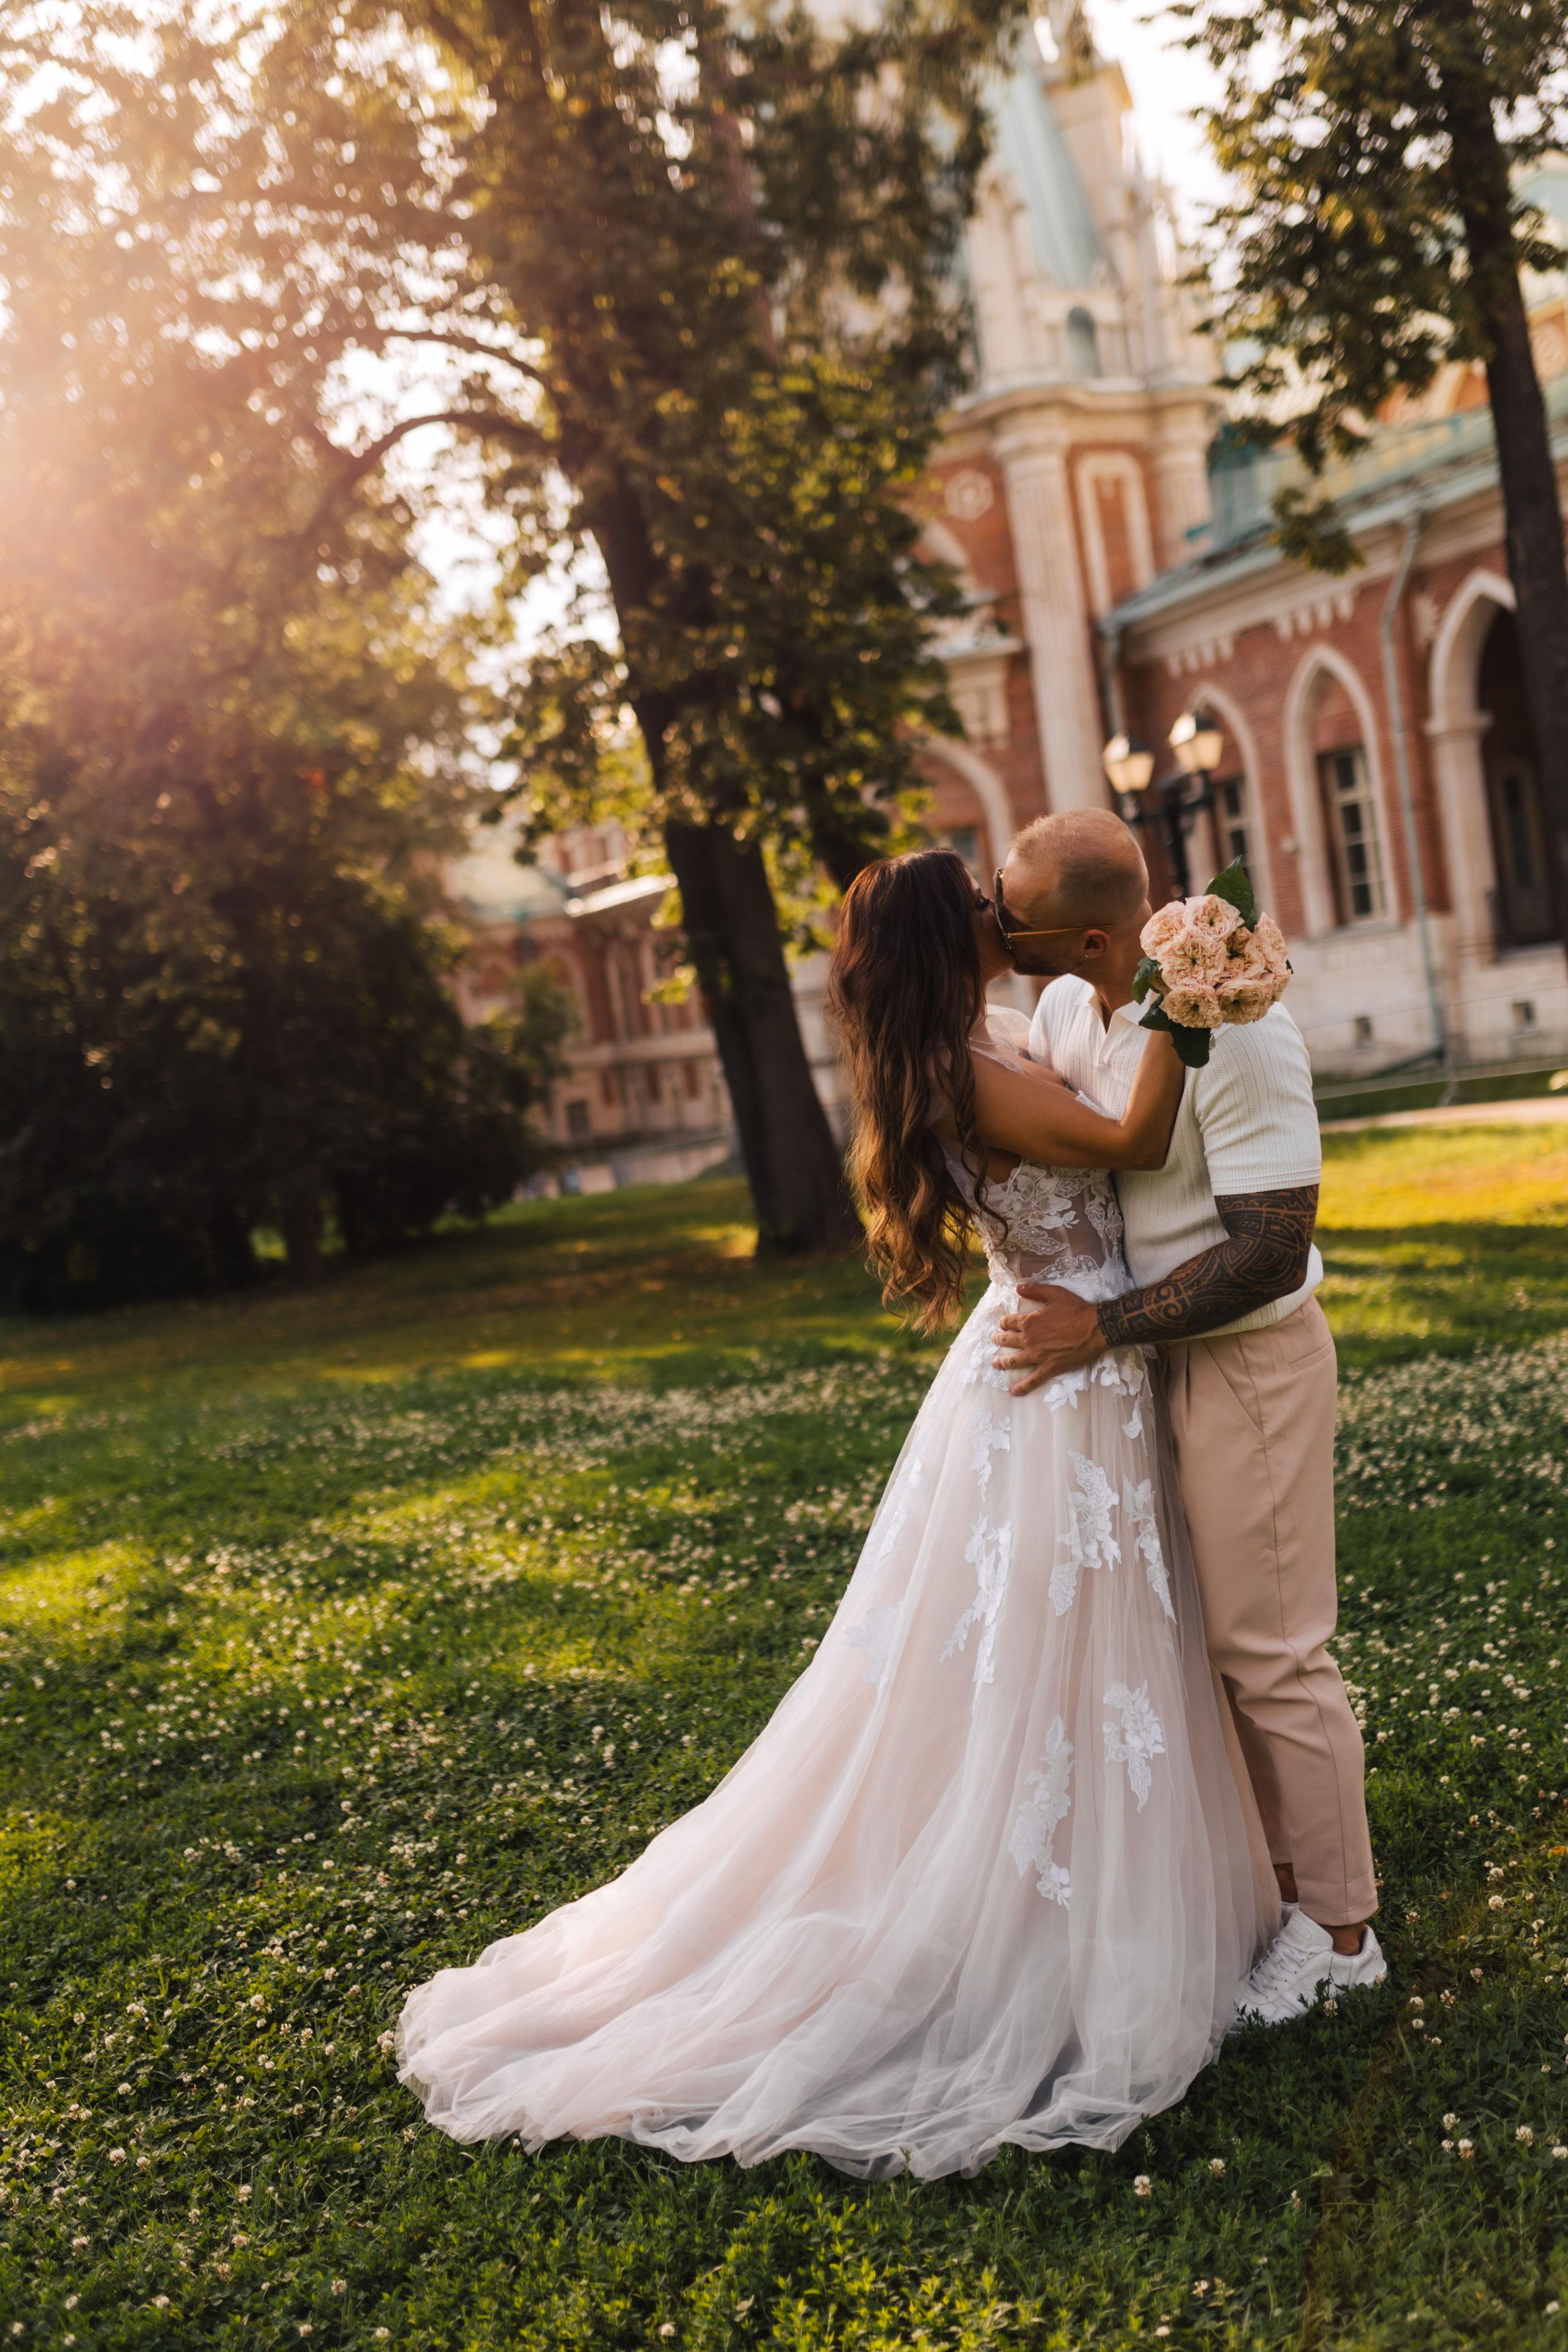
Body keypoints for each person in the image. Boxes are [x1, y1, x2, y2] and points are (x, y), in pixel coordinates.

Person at [396, 846, 1274, 2180]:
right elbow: (1134, 1141)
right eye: (984, 903)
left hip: (1064, 1363)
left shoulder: (973, 1035)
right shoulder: (969, 1069)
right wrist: (1179, 990)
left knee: (1071, 1671)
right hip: (1054, 1392)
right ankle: (1044, 1940)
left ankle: (1111, 1903)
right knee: (1052, 1667)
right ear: (951, 935)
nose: (1006, 911)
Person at [988, 807, 1384, 2023]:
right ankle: (1268, 1887)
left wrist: (1097, 1329)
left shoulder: (1239, 1032)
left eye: (1018, 918)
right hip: (1147, 1367)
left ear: (1091, 935)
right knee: (1195, 1648)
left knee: (1268, 1652)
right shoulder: (1068, 1011)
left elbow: (1268, 1250)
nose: (1000, 931)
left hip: (1246, 1364)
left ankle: (1340, 1934)